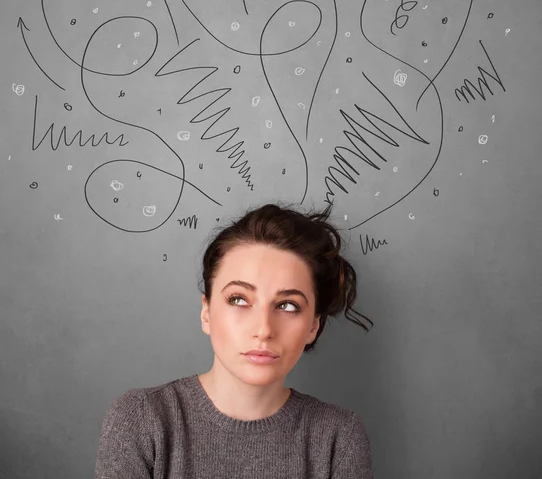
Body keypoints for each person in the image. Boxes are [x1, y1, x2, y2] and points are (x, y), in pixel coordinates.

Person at [95, 202, 374, 478]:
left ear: (314, 326)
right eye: (239, 299)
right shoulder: (142, 419)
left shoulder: (340, 439)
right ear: (207, 312)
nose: (263, 329)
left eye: (288, 305)